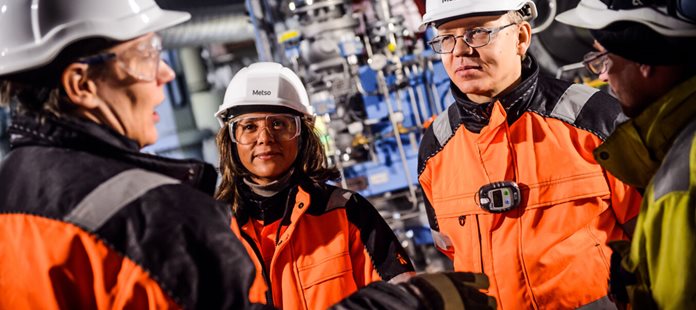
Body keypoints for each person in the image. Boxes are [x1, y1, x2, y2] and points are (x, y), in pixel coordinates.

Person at [0, 1, 499, 309]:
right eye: (146, 55)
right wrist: (402, 304)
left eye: (280, 125)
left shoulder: (14, 202)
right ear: (82, 83)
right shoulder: (158, 216)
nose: (165, 75)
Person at [416, 0, 644, 308]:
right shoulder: (436, 148)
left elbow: (655, 243)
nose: (459, 51)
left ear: (522, 37)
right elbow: (452, 249)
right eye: (446, 38)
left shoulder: (594, 121)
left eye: (477, 33)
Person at [213, 62, 417, 309]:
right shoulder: (215, 232)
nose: (265, 138)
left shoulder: (346, 212)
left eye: (278, 124)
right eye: (249, 127)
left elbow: (402, 299)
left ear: (303, 134)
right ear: (231, 140)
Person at [557, 0, 696, 308]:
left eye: (603, 60)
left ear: (645, 61)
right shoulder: (675, 148)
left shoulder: (683, 179)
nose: (603, 77)